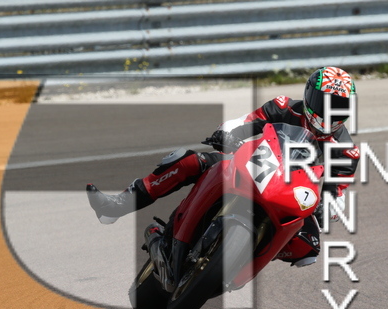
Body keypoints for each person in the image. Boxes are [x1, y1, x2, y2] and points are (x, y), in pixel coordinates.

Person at [87, 66, 360, 267]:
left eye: (338, 106)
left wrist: (328, 207)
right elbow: (244, 123)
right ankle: (117, 206)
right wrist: (226, 134)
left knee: (308, 249)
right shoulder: (282, 107)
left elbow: (337, 193)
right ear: (310, 96)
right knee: (190, 161)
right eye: (325, 103)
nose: (330, 111)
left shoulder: (346, 150)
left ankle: (244, 259)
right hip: (255, 165)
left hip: (291, 194)